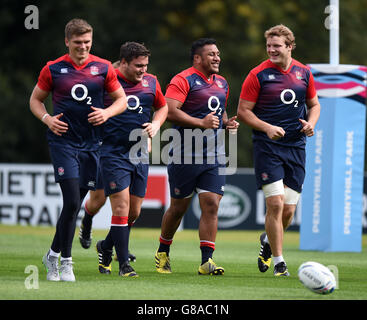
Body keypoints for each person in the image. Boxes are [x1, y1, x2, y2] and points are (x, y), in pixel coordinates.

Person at [29, 18, 127, 282]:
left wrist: (106, 113)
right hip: (63, 143)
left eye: (87, 42)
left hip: (92, 145)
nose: (82, 47)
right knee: (72, 201)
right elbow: (35, 100)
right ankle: (66, 263)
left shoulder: (104, 67)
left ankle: (51, 254)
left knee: (73, 208)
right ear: (67, 42)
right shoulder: (54, 69)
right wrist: (47, 119)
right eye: (77, 43)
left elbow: (122, 100)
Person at [237, 24, 320, 276]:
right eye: (269, 46)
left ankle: (267, 242)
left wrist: (311, 124)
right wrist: (267, 127)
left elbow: (314, 105)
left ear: (290, 47)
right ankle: (280, 263)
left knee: (289, 211)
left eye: (277, 46)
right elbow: (243, 111)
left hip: (296, 146)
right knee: (275, 203)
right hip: (268, 147)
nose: (271, 50)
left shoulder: (304, 73)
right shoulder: (258, 74)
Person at [155, 38, 239, 275]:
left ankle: (206, 261)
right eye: (211, 54)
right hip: (184, 154)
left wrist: (226, 123)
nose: (217, 58)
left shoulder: (222, 83)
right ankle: (163, 251)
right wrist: (200, 123)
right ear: (197, 59)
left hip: (214, 155)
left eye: (218, 53)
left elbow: (218, 111)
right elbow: (169, 111)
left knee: (211, 204)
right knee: (178, 208)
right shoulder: (182, 80)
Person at [87, 42, 167, 277]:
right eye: (138, 66)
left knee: (134, 212)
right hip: (112, 152)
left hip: (140, 152)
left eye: (145, 65)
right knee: (121, 206)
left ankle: (105, 246)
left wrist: (155, 124)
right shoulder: (106, 82)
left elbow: (162, 108)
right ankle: (124, 265)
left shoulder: (151, 81)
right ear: (123, 63)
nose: (143, 70)